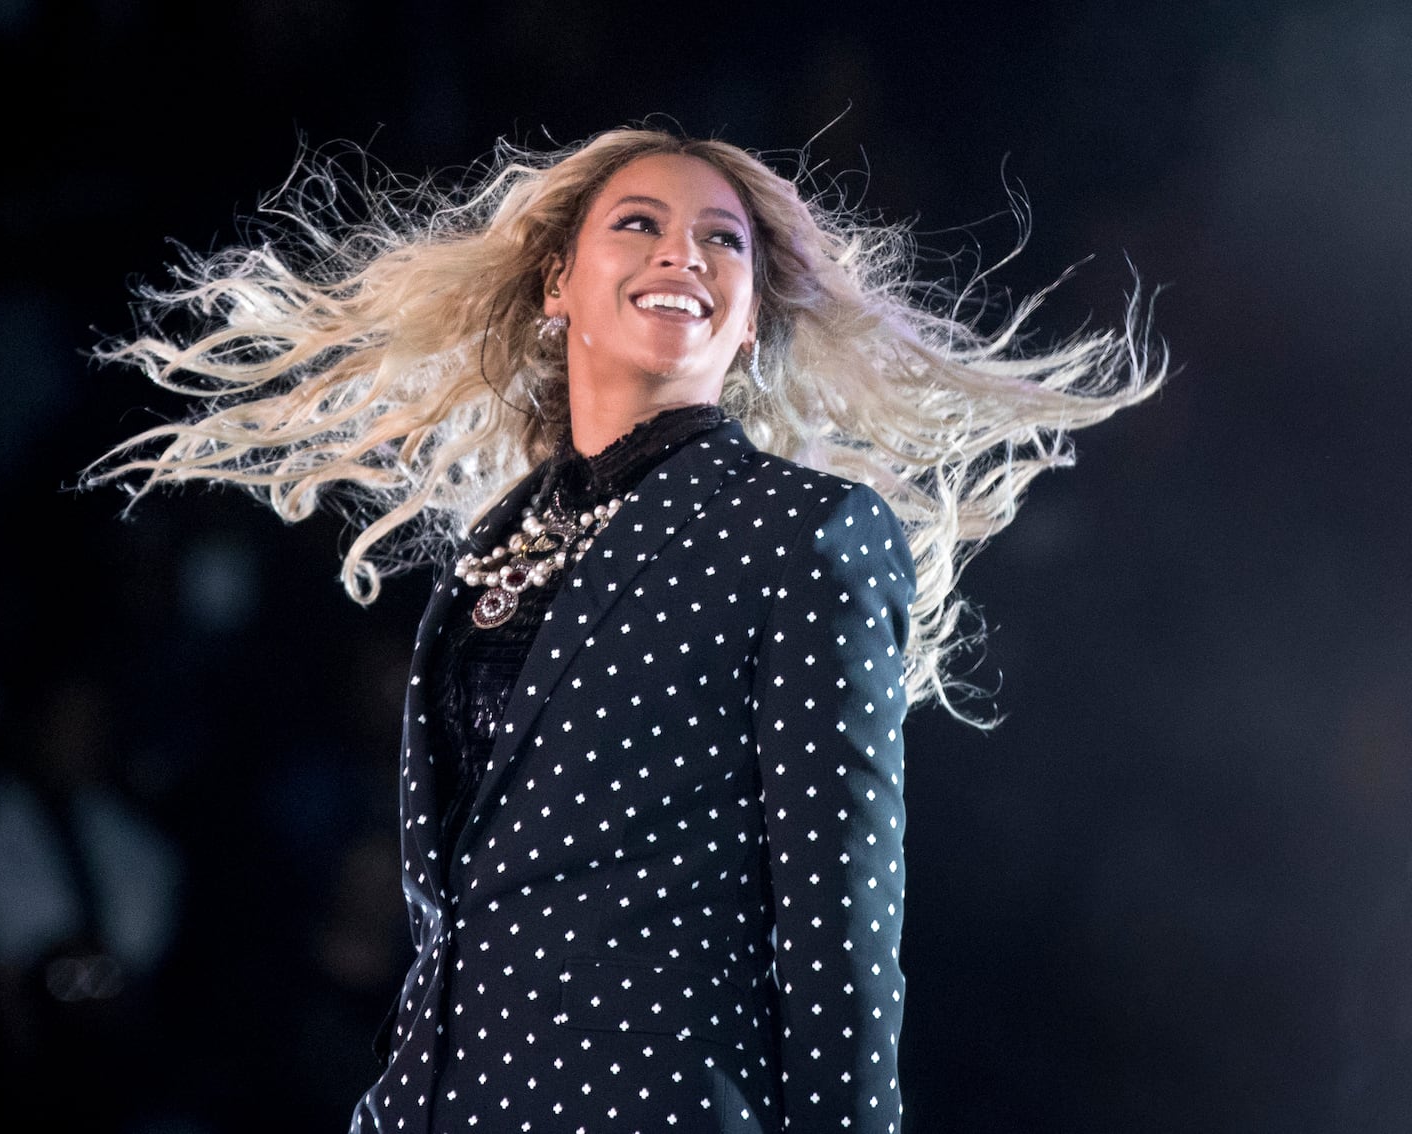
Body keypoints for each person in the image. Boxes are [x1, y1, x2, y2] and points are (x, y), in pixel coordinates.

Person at [86, 125, 1165, 1133]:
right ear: (559, 282)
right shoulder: (495, 543)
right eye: (639, 223)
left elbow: (840, 925)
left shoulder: (804, 530)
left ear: (750, 319)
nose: (681, 254)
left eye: (721, 241)